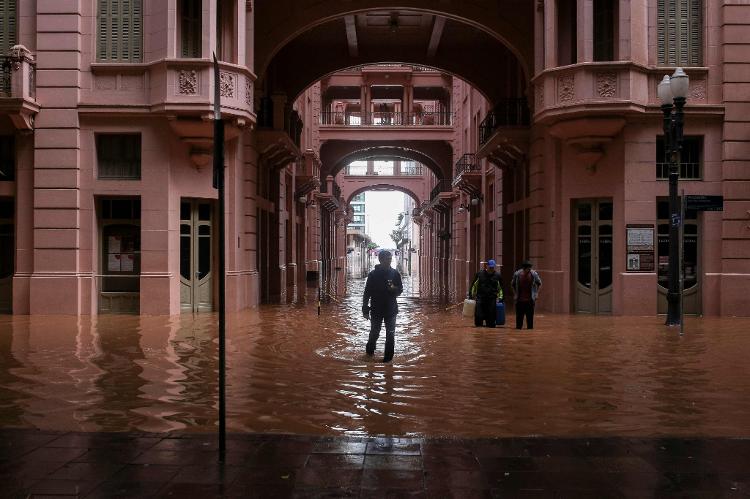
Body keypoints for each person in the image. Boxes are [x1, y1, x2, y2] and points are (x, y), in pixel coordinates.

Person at [362, 250, 403, 362]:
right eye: (387, 259)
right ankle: (369, 354)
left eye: (390, 259)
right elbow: (367, 293)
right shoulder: (373, 275)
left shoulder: (395, 273)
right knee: (374, 333)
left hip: (391, 310)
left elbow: (400, 290)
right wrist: (365, 309)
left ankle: (388, 361)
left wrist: (394, 289)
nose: (389, 261)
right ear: (380, 260)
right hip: (376, 309)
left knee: (390, 335)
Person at [469, 259, 504, 328]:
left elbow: (501, 289)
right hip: (480, 299)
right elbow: (473, 285)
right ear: (486, 266)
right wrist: (471, 295)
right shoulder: (479, 274)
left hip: (492, 300)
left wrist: (501, 298)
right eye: (490, 267)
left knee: (491, 322)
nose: (491, 269)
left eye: (492, 267)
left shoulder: (497, 276)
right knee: (478, 319)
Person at [511, 260, 542, 330]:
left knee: (530, 321)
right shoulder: (517, 274)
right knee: (519, 321)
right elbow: (512, 284)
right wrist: (515, 294)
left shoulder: (534, 274)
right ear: (524, 268)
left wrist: (536, 293)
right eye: (528, 268)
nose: (530, 269)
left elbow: (539, 283)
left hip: (530, 300)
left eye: (530, 268)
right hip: (520, 300)